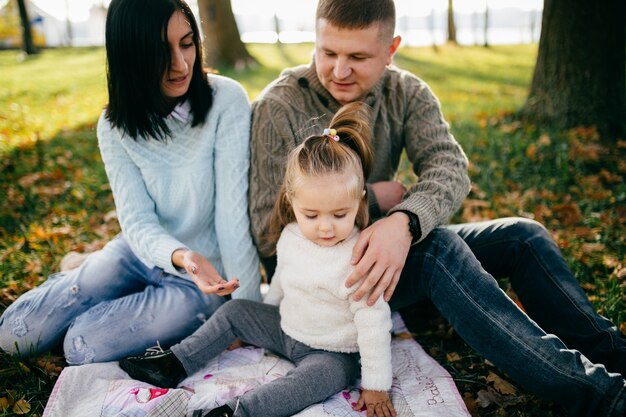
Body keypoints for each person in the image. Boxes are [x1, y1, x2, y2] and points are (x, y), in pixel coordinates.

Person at [248, 0, 626, 416]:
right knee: (439, 249)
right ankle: (601, 396)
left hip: (393, 248)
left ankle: (613, 353)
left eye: (357, 57)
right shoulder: (279, 106)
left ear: (391, 50)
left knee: (524, 234)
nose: (340, 70)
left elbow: (450, 167)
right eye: (328, 53)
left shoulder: (407, 92)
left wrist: (403, 221)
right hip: (332, 282)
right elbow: (267, 226)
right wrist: (373, 203)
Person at [0, 0, 261, 364]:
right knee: (16, 334)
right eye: (160, 51)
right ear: (129, 55)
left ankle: (88, 285)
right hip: (139, 253)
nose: (180, 64)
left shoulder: (226, 100)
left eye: (186, 43)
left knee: (82, 346)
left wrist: (244, 310)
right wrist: (181, 255)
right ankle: (78, 279)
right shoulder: (113, 126)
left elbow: (233, 219)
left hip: (202, 279)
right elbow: (137, 222)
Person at [119, 103, 397, 417]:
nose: (325, 226)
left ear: (359, 200)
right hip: (286, 329)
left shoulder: (360, 255)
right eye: (311, 214)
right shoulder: (292, 235)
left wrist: (376, 384)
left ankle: (238, 412)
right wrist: (257, 322)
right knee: (235, 310)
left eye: (339, 214)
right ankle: (174, 363)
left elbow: (374, 323)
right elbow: (282, 279)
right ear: (292, 202)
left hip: (334, 351)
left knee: (315, 380)